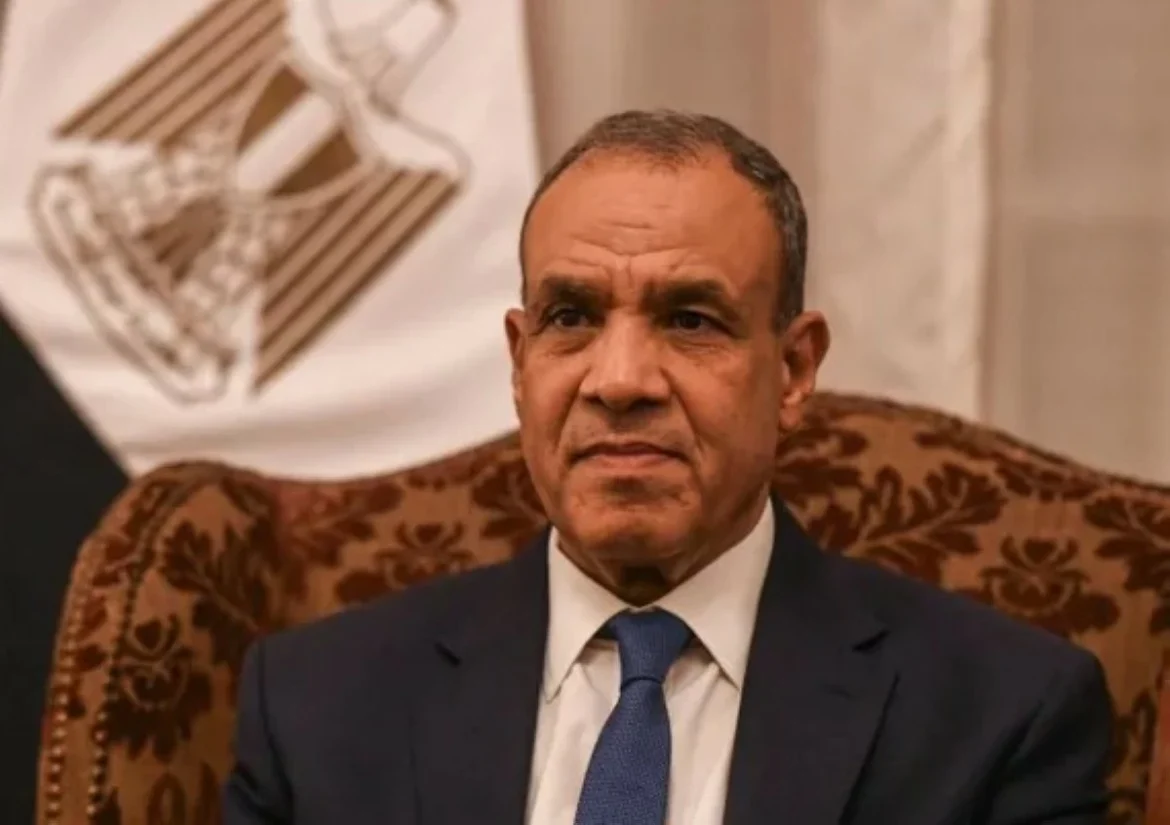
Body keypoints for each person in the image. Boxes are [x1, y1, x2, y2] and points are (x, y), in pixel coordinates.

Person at [222, 110, 1112, 825]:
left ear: (793, 369)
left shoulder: (1001, 714)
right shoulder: (317, 707)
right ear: (520, 362)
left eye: (690, 320)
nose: (619, 381)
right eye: (571, 316)